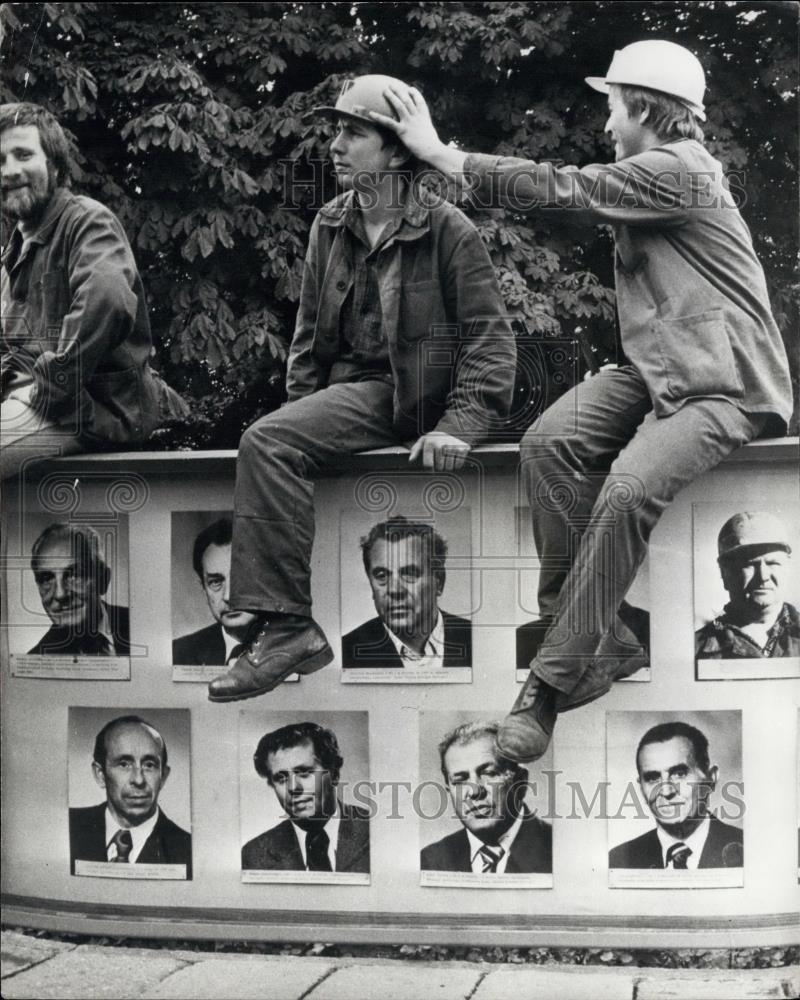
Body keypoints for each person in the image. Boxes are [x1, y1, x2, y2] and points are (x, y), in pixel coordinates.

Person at [370, 40, 794, 761]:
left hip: (728, 383)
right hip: (661, 369)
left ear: (644, 109)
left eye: (611, 108)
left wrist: (443, 154)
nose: (605, 125)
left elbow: (564, 189)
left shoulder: (680, 170)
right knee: (547, 443)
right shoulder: (656, 173)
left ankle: (549, 683)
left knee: (626, 490)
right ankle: (599, 640)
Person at [206, 74, 515, 703]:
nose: (335, 146)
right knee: (275, 440)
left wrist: (460, 425)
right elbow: (307, 339)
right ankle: (288, 624)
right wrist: (303, 421)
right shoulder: (331, 223)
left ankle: (290, 628)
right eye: (335, 131)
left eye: (353, 132)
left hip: (409, 400)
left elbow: (491, 342)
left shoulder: (447, 229)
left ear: (397, 151)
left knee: (264, 442)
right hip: (351, 396)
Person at [0, 102, 187, 481]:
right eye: (0, 160)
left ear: (54, 163)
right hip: (34, 405)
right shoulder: (14, 251)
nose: (10, 171)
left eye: (23, 154)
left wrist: (51, 386)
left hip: (90, 411)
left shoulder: (87, 221)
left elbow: (108, 301)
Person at [342, 516, 471, 671]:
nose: (395, 590)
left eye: (410, 574)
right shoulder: (346, 651)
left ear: (439, 581)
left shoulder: (477, 639)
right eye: (382, 575)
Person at [421, 721, 552, 874]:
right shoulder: (430, 861)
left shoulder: (556, 848)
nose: (475, 791)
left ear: (520, 782)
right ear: (449, 791)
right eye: (460, 780)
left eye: (489, 773)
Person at [609, 721, 742, 870]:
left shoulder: (747, 849)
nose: (666, 792)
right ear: (641, 787)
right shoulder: (618, 860)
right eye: (653, 778)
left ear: (711, 779)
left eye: (679, 774)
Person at [69, 715, 191, 875]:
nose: (139, 780)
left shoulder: (187, 849)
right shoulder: (67, 826)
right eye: (124, 764)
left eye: (149, 765)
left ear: (163, 777)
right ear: (100, 774)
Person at [241, 721, 369, 873]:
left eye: (304, 772)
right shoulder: (255, 855)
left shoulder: (375, 831)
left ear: (334, 774)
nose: (293, 787)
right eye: (281, 778)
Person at [696, 511, 799, 659]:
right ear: (725, 573)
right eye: (749, 565)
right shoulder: (696, 649)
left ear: (787, 568)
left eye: (772, 563)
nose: (763, 576)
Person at [28, 522, 130, 656]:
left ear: (103, 579)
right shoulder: (37, 659)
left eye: (75, 575)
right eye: (46, 579)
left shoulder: (140, 624)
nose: (60, 594)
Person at [173, 518, 254, 665]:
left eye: (241, 579)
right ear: (204, 589)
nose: (228, 596)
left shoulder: (296, 646)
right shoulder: (179, 653)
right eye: (215, 582)